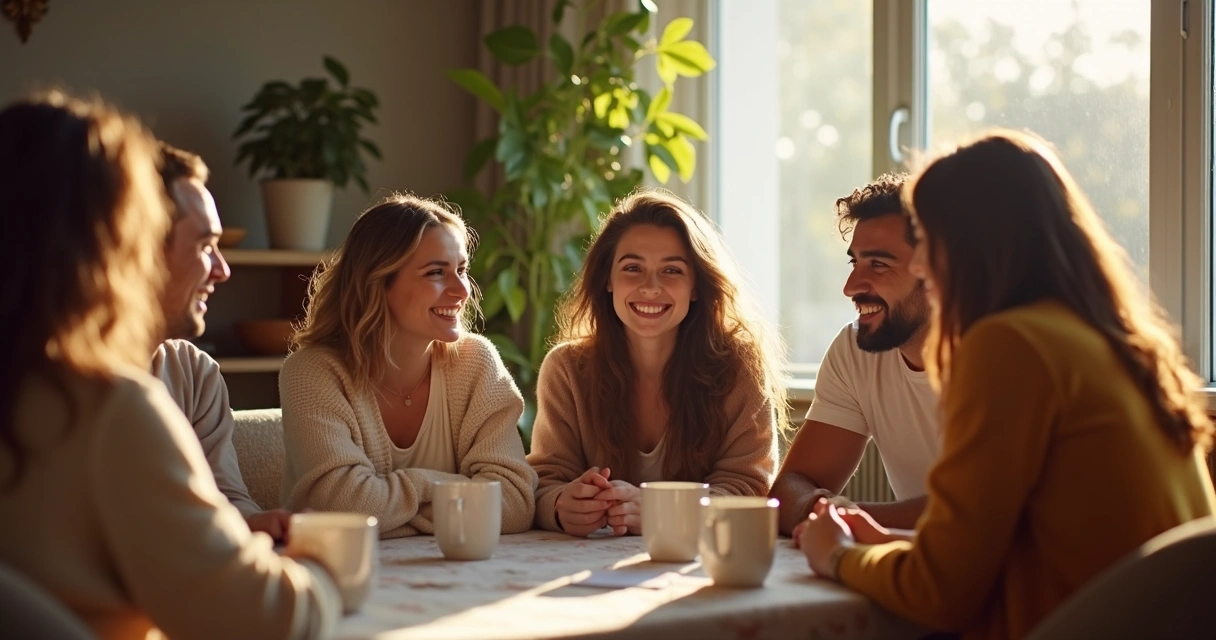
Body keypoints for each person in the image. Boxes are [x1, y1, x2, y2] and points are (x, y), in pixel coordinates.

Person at [799, 129, 1216, 640]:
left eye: (928, 241)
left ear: (973, 243)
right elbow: (1021, 551)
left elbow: (941, 592)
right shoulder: (1115, 342)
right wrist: (886, 540)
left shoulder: (1009, 344)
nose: (922, 266)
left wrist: (837, 556)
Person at [0, 92, 340, 638]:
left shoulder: (40, 389)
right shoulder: (107, 408)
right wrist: (326, 569)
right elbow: (264, 619)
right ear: (107, 243)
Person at [528, 189, 787, 537]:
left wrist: (663, 511)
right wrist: (562, 505)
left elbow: (750, 486)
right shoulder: (565, 369)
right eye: (633, 268)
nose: (650, 287)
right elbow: (545, 482)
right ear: (607, 279)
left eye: (672, 270)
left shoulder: (740, 366)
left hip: (702, 560)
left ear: (696, 286)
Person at [279, 193, 537, 538]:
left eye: (461, 270)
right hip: (337, 566)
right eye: (436, 272)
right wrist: (448, 494)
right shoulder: (313, 373)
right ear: (376, 282)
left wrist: (384, 507)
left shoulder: (476, 363)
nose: (462, 290)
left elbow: (514, 504)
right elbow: (341, 506)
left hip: (451, 570)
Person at [772, 173, 939, 534]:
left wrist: (846, 518)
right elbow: (788, 490)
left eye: (878, 265)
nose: (850, 288)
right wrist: (826, 511)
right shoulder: (857, 350)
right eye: (855, 263)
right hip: (918, 561)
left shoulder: (1002, 354)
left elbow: (980, 508)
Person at [151, 142, 293, 539]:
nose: (223, 270)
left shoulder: (194, 372)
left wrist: (257, 522)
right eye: (204, 246)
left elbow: (223, 498)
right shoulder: (52, 379)